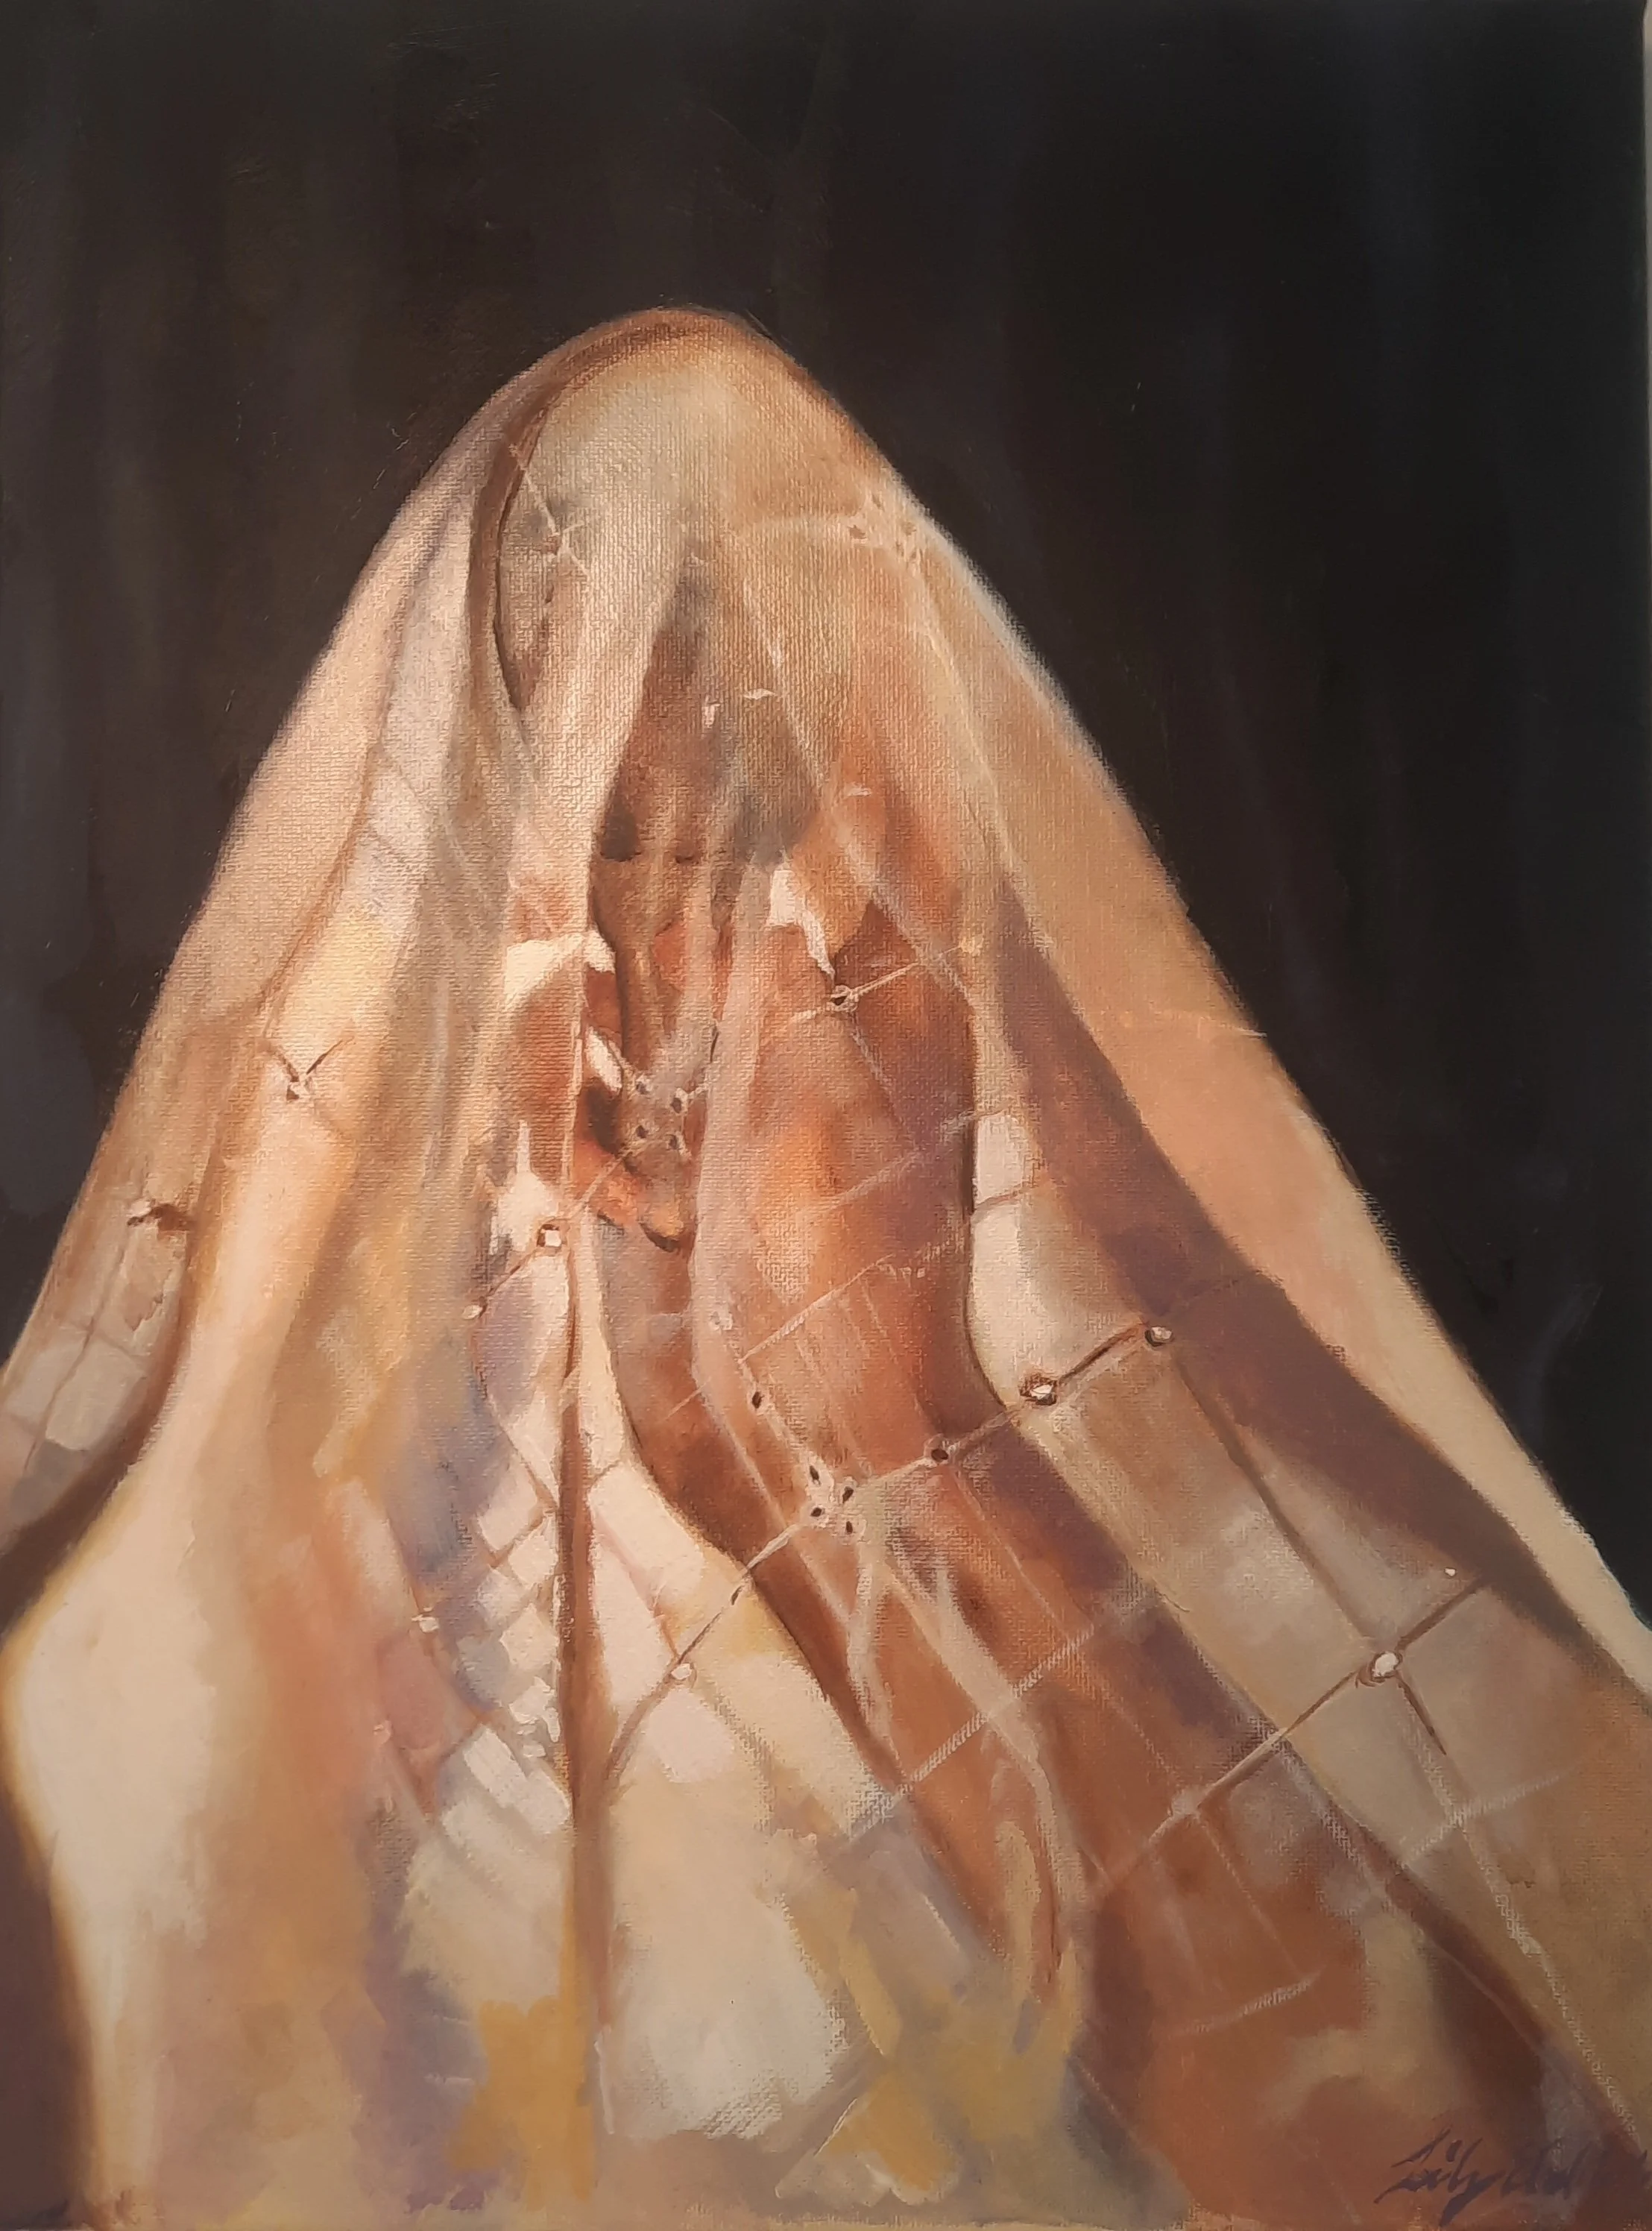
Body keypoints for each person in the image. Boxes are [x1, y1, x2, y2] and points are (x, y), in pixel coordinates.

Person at [1, 309, 1648, 2230]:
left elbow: (1512, 2184)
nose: (699, 982)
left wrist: (897, 1433)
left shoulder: (1186, 1487)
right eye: (629, 849)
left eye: (832, 904)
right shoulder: (146, 1690)